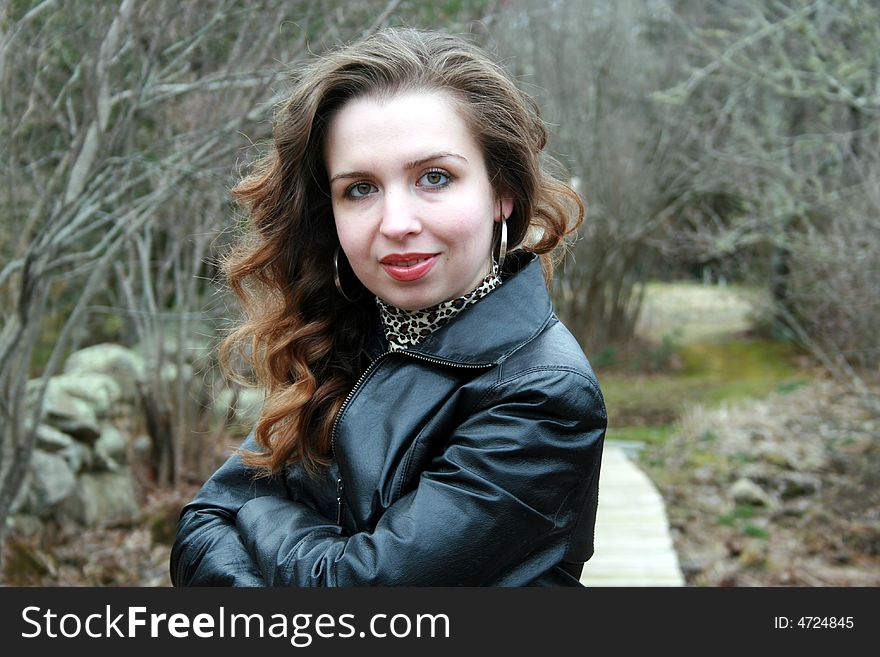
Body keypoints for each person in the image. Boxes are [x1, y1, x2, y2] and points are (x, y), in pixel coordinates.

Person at [170, 27, 606, 587]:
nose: (396, 223)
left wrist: (253, 515)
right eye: (360, 189)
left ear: (502, 193)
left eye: (434, 177)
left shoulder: (545, 394)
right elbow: (201, 527)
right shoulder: (341, 340)